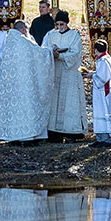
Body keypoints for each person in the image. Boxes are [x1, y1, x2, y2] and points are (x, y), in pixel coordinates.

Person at [0, 21, 52, 142]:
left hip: (11, 88)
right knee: (27, 106)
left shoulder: (9, 43)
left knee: (13, 110)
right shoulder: (23, 41)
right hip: (25, 85)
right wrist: (51, 51)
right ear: (23, 29)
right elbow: (40, 54)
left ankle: (12, 137)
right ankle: (26, 136)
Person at [41, 11, 86, 140]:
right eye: (58, 24)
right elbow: (43, 49)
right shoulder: (50, 34)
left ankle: (72, 131)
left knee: (69, 101)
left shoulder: (74, 36)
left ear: (66, 23)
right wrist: (51, 51)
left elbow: (75, 53)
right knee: (54, 100)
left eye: (62, 24)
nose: (59, 27)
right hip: (54, 71)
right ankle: (53, 132)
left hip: (69, 73)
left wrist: (60, 55)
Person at [90, 39, 111, 146]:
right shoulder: (108, 59)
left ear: (96, 50)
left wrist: (91, 75)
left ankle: (104, 138)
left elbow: (102, 78)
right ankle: (100, 138)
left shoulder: (103, 61)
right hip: (105, 91)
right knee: (102, 112)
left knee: (102, 112)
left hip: (102, 92)